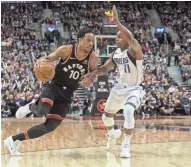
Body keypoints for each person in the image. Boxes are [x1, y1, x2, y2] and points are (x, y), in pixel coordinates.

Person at [4, 27, 99, 155]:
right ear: (79, 40)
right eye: (88, 40)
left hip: (68, 93)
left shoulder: (93, 58)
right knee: (42, 110)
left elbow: (94, 74)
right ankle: (32, 106)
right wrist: (40, 63)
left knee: (50, 126)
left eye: (92, 41)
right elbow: (48, 59)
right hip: (54, 85)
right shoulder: (66, 50)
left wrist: (91, 79)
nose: (91, 44)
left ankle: (13, 140)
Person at [85, 5, 145, 158]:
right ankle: (112, 134)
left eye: (119, 37)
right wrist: (92, 73)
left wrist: (116, 21)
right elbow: (105, 69)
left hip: (134, 88)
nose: (117, 39)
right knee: (106, 117)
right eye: (117, 37)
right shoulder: (117, 53)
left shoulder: (135, 50)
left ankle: (126, 144)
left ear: (126, 39)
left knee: (129, 111)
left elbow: (131, 38)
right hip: (119, 88)